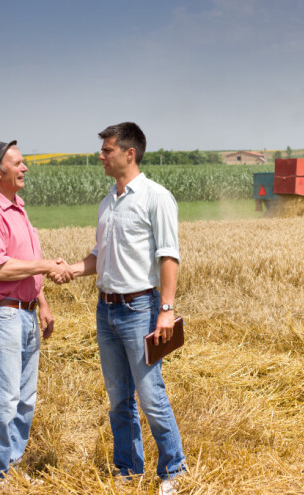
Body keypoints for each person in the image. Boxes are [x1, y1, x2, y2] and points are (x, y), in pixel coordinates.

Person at [62, 122, 186, 493]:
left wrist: (166, 310)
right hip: (106, 310)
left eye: (107, 150)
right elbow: (99, 256)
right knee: (118, 399)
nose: (101, 156)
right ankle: (128, 469)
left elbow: (168, 255)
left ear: (129, 154)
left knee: (150, 396)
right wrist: (72, 270)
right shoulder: (107, 203)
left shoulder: (155, 197)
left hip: (140, 310)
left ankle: (174, 472)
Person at [0, 139, 73, 480]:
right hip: (2, 315)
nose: (25, 168)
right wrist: (47, 265)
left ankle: (10, 465)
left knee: (25, 400)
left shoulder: (17, 207)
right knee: (5, 399)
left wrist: (42, 303)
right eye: (18, 163)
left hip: (24, 313)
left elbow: (25, 260)